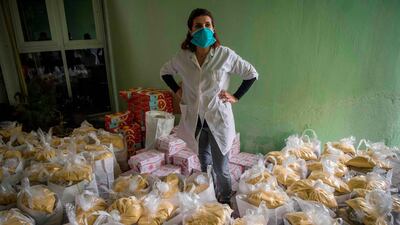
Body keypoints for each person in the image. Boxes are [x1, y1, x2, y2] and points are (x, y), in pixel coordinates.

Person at [160, 8, 258, 204]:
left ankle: (225, 199)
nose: (204, 29)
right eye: (198, 25)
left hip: (218, 119)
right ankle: (209, 194)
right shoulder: (183, 57)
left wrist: (236, 96)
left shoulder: (225, 55)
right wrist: (177, 91)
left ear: (214, 29)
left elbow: (251, 73)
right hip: (197, 120)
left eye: (208, 25)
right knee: (204, 162)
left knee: (221, 167)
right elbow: (164, 72)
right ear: (190, 30)